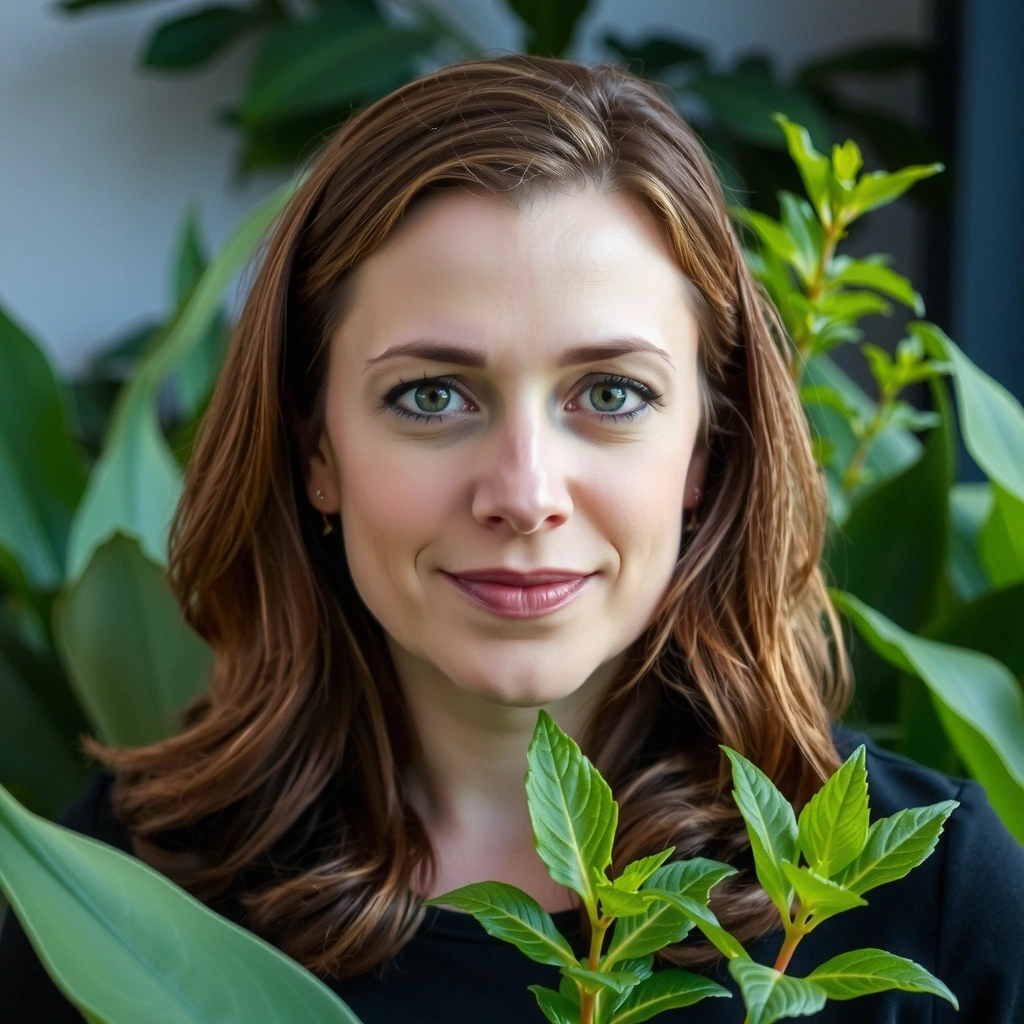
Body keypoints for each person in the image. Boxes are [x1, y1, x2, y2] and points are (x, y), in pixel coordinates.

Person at [2, 53, 1022, 1024]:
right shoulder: (116, 896)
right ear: (315, 447)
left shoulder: (938, 906)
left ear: (707, 450)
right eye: (432, 394)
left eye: (611, 393)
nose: (524, 494)